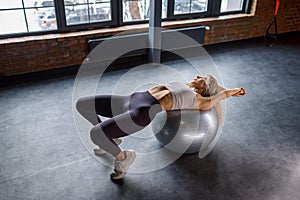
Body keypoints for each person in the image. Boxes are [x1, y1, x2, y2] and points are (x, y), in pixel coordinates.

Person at [76, 75, 246, 179]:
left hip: (141, 113)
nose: (197, 76)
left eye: (202, 78)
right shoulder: (186, 85)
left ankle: (123, 157)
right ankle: (110, 139)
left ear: (206, 88)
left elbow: (219, 96)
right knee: (82, 105)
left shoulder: (199, 100)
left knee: (95, 134)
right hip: (129, 99)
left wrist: (232, 91)